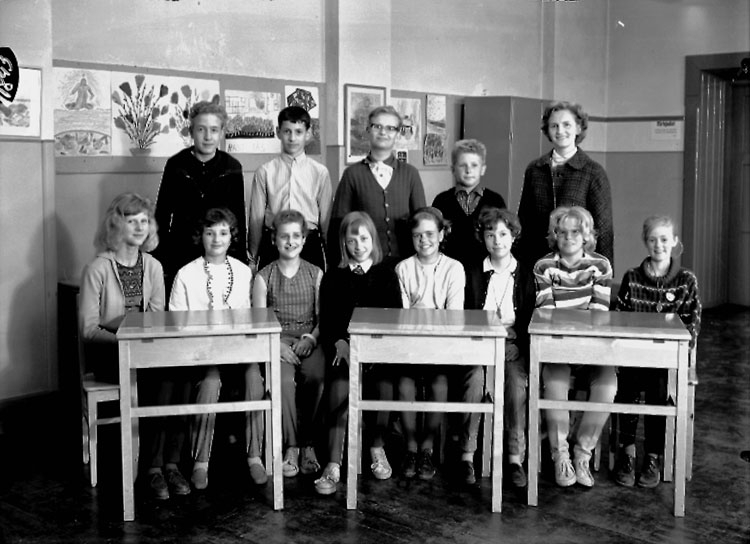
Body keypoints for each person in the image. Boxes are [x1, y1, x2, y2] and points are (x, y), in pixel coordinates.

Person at [78, 193, 191, 500]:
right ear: (116, 224)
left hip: (145, 350)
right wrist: (126, 340)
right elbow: (88, 329)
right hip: (110, 353)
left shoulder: (153, 266)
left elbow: (156, 320)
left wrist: (144, 343)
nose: (141, 227)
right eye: (132, 221)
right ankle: (153, 469)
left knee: (182, 374)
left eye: (145, 221)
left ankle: (171, 464)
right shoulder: (97, 268)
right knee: (161, 377)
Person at [169, 208, 267, 490]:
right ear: (200, 236)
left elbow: (250, 318)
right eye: (210, 232)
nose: (216, 239)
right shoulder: (186, 273)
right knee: (211, 381)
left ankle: (254, 455)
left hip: (237, 350)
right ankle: (200, 462)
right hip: (201, 353)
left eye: (223, 233)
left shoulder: (243, 272)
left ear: (231, 236)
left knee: (253, 375)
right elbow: (177, 322)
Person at [314, 211, 402, 495]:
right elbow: (328, 321)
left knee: (385, 386)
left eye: (364, 239)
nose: (358, 245)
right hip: (345, 352)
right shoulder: (333, 277)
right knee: (339, 386)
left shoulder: (386, 274)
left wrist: (374, 348)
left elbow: (394, 317)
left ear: (373, 240)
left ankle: (377, 447)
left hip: (376, 354)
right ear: (344, 243)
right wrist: (338, 342)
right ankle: (333, 463)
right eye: (352, 241)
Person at [613, 215, 701, 488]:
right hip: (633, 356)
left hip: (667, 361)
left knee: (659, 388)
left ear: (674, 242)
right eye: (652, 240)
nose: (658, 245)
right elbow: (619, 317)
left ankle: (653, 455)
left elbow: (692, 325)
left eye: (664, 239)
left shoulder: (686, 280)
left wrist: (677, 354)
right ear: (645, 242)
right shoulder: (632, 277)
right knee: (626, 383)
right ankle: (627, 452)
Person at [533, 206, 615, 488]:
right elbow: (546, 314)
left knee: (608, 384)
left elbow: (599, 313)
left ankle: (583, 453)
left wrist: (582, 341)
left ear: (587, 235)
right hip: (557, 347)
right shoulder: (544, 266)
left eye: (576, 232)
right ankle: (561, 455)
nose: (569, 237)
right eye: (562, 232)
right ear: (554, 235)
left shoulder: (600, 265)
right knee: (555, 383)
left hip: (592, 347)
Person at [464, 207, 535, 488]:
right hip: (479, 345)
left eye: (503, 234)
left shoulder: (526, 274)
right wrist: (482, 343)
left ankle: (515, 458)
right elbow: (465, 316)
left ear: (513, 236)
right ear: (482, 237)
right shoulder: (471, 272)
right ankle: (467, 455)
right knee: (475, 381)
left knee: (516, 384)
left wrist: (519, 344)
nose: (497, 241)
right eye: (490, 234)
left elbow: (531, 318)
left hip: (512, 346)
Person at [252, 210, 325, 479]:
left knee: (316, 377)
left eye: (296, 236)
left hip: (309, 339)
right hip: (277, 341)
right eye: (284, 236)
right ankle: (291, 447)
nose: (290, 241)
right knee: (283, 382)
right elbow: (259, 323)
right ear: (274, 239)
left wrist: (312, 338)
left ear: (304, 239)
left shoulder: (316, 273)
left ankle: (309, 445)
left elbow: (323, 318)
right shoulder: (264, 277)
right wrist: (278, 346)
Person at [394, 207, 465, 480]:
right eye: (417, 235)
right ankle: (411, 447)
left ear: (442, 234)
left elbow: (454, 314)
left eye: (430, 234)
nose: (424, 240)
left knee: (439, 383)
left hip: (441, 345)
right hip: (409, 344)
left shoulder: (454, 268)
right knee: (405, 383)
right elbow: (402, 314)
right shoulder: (403, 268)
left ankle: (427, 448)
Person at [153, 100, 248, 294]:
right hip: (181, 251)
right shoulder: (176, 165)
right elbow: (162, 214)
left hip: (219, 250)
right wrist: (160, 258)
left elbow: (238, 217)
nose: (207, 137)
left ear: (221, 133)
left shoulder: (232, 167)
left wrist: (240, 259)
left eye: (214, 130)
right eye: (201, 129)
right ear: (191, 131)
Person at [517, 101, 614, 269]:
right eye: (554, 126)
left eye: (566, 125)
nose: (560, 131)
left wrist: (604, 272)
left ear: (578, 128)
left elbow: (604, 230)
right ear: (547, 130)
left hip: (579, 268)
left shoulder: (593, 172)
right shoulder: (534, 169)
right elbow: (524, 222)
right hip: (538, 264)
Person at [328, 105, 426, 267]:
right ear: (368, 130)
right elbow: (338, 225)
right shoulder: (352, 174)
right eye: (377, 126)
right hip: (365, 265)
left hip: (405, 264)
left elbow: (421, 221)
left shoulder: (410, 174)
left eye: (390, 128)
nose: (383, 132)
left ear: (397, 134)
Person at [249, 106, 332, 272]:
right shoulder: (265, 171)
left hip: (309, 244)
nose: (292, 138)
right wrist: (252, 258)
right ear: (278, 132)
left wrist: (330, 258)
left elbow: (326, 220)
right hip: (274, 243)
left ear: (308, 134)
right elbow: (256, 219)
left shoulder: (320, 172)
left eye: (298, 132)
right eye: (287, 131)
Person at [431, 139, 507, 269]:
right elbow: (435, 238)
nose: (468, 170)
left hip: (486, 269)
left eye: (474, 165)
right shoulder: (441, 200)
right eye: (462, 165)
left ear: (483, 169)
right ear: (453, 169)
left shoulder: (495, 201)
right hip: (450, 270)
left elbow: (503, 238)